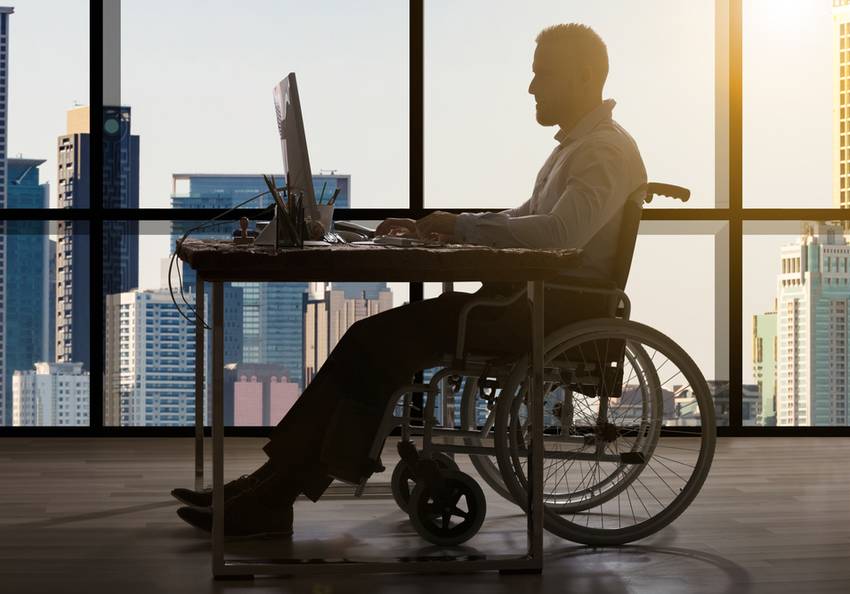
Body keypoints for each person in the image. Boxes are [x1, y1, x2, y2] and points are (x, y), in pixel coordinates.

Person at [173, 22, 647, 538]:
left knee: (377, 342)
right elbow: (528, 215)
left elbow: (559, 233)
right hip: (525, 304)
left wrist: (461, 227)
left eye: (543, 75)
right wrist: (445, 226)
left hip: (545, 313)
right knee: (373, 341)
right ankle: (268, 485)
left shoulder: (603, 151)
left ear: (583, 76)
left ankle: (274, 493)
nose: (532, 87)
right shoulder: (581, 146)